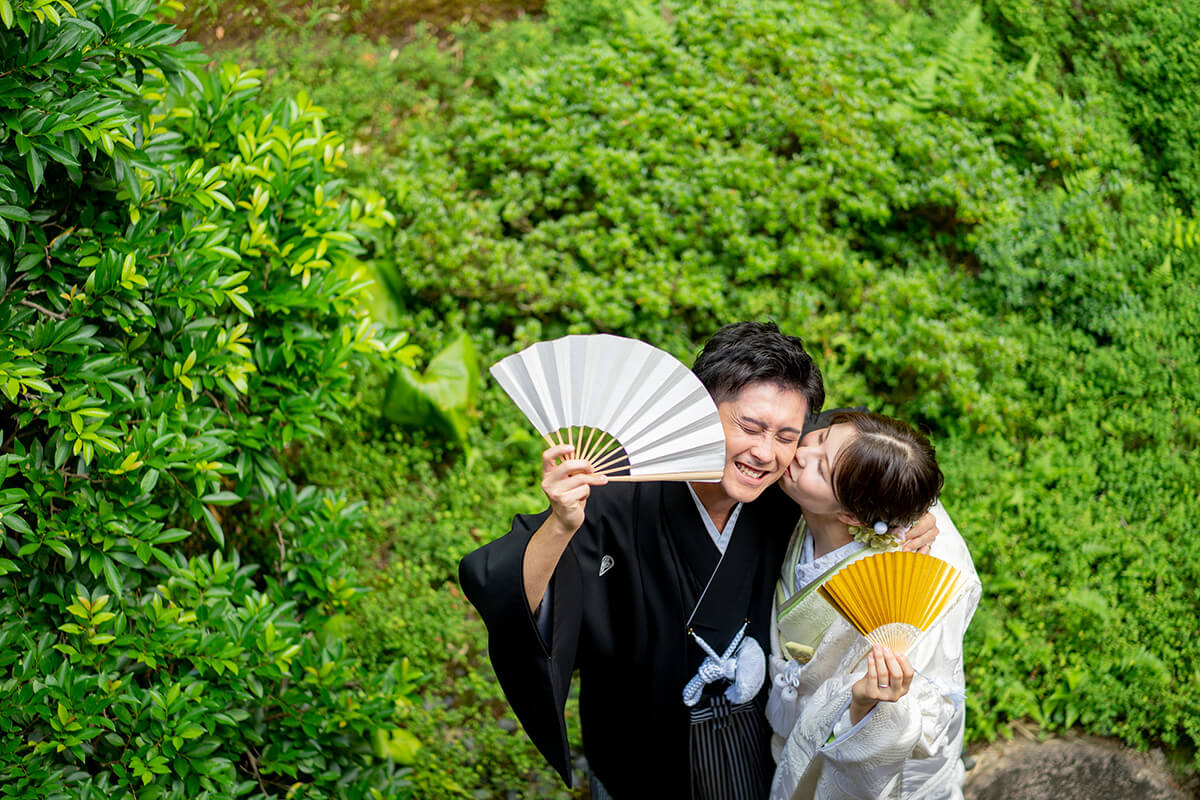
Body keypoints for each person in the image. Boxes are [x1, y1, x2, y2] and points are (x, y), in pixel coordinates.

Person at [459, 323, 938, 799]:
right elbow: (509, 593)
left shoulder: (785, 481)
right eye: (749, 427)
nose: (765, 453)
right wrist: (561, 524)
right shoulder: (617, 491)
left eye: (787, 436)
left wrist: (911, 517)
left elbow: (878, 465)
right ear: (699, 407)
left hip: (749, 730)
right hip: (639, 737)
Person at [766, 411, 981, 800]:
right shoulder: (816, 506)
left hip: (845, 741)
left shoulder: (906, 583)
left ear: (851, 515)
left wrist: (867, 704)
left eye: (822, 468)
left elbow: (922, 714)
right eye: (819, 438)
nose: (801, 453)